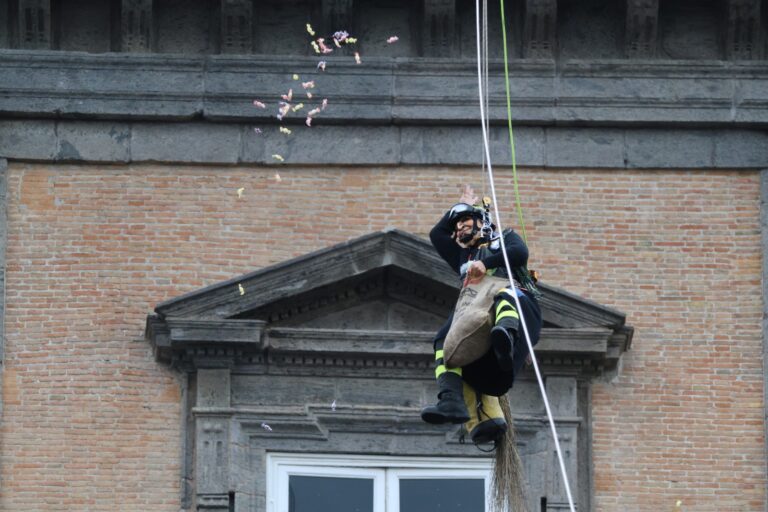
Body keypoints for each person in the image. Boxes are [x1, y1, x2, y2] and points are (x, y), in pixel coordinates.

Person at [421, 185, 542, 442]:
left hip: (514, 299)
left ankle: (505, 336)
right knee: (443, 338)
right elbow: (437, 234)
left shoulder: (503, 240)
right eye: (457, 227)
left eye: (465, 222)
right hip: (474, 307)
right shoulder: (463, 255)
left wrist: (485, 263)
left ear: (482, 222)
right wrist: (459, 206)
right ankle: (451, 400)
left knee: (503, 295)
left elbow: (520, 253)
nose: (460, 229)